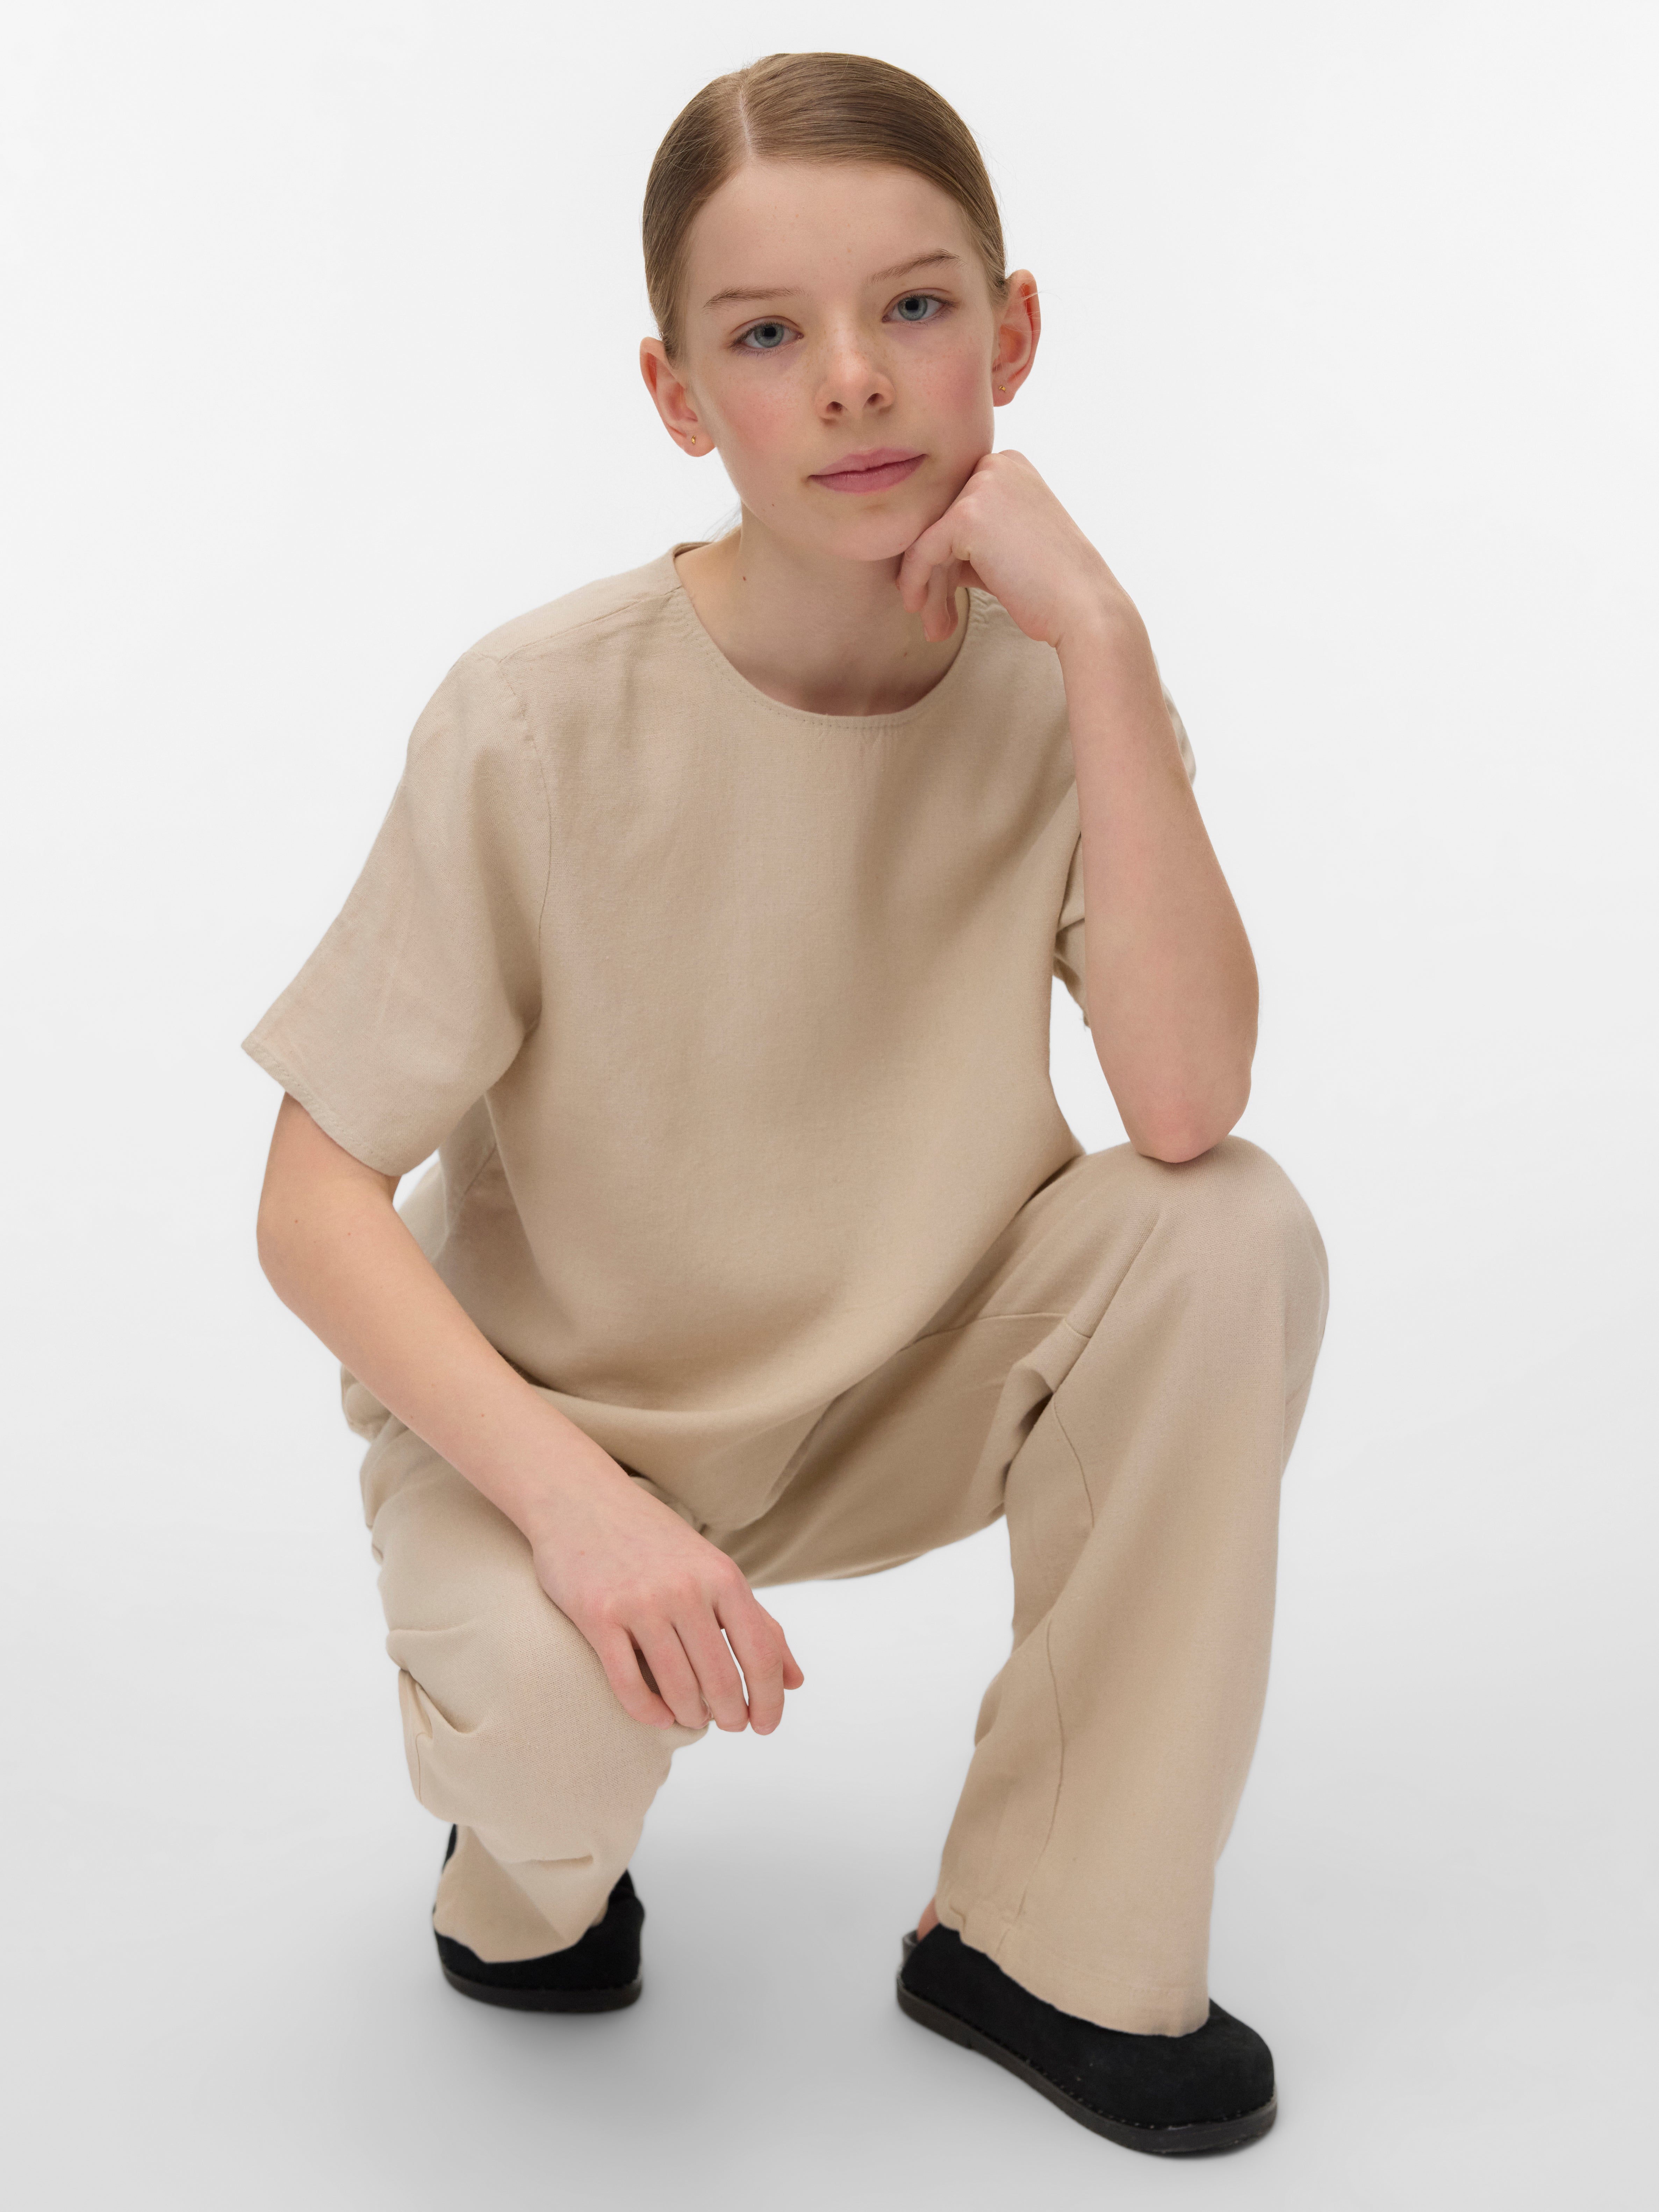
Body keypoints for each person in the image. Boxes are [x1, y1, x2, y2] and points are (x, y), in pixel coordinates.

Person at [245, 50, 1329, 2159]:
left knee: (1228, 1229)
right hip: (562, 1430)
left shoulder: (1058, 687)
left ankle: (1049, 1935)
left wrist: (1104, 637)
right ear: (678, 395)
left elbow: (1189, 1104)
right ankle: (519, 1867)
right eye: (766, 336)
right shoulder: (537, 716)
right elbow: (311, 1199)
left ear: (1014, 332)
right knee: (551, 1777)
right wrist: (579, 1507)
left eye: (916, 307)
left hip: (904, 1377)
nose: (853, 379)